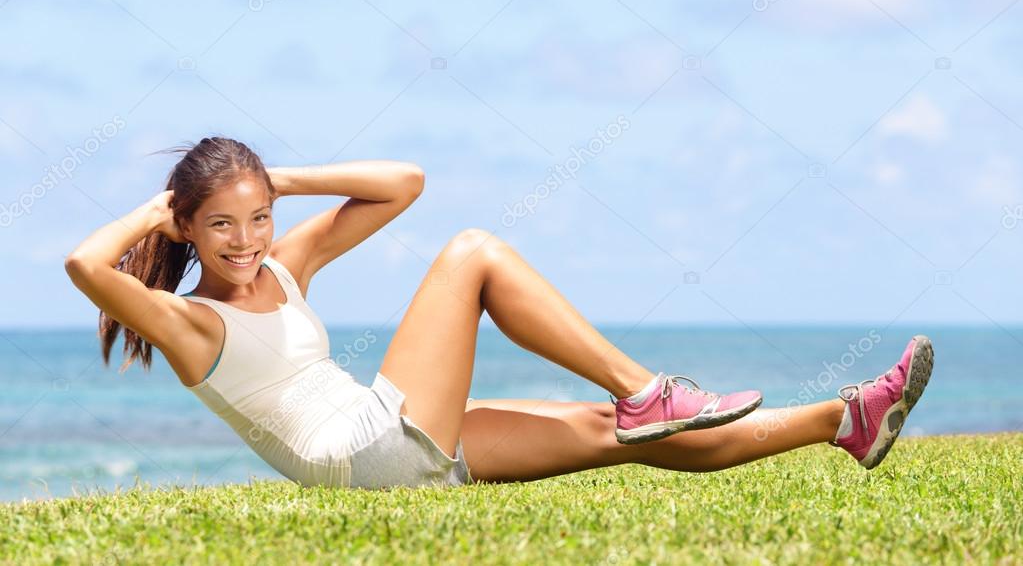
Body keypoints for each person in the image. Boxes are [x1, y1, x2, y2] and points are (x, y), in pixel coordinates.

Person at [64, 137, 934, 489]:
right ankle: (646, 386)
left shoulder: (281, 267)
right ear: (186, 227)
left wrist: (275, 179)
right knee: (474, 251)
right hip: (363, 451)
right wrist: (159, 206)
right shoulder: (190, 325)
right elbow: (82, 264)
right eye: (221, 225)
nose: (247, 240)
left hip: (394, 448)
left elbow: (402, 184)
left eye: (259, 218)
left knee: (613, 435)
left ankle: (842, 419)